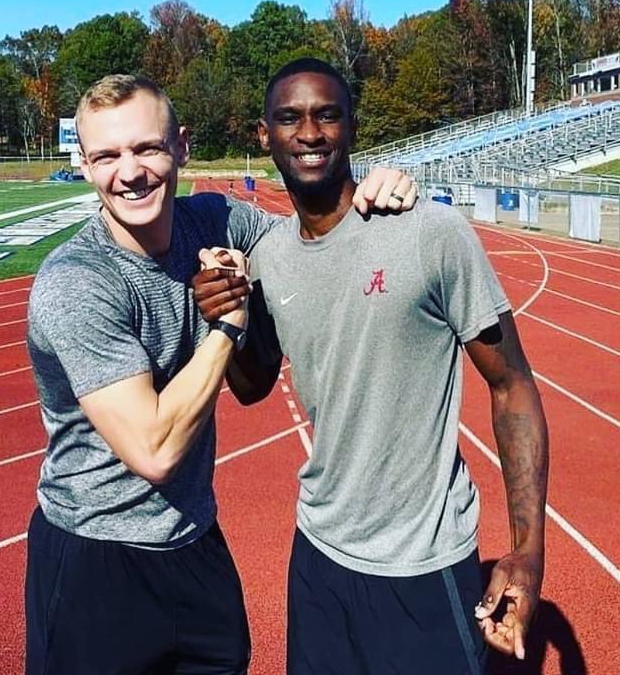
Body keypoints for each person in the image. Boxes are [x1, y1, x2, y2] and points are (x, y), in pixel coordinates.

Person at [23, 73, 417, 675]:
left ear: (181, 146)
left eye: (147, 148)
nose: (129, 173)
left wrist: (370, 191)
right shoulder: (78, 282)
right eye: (106, 156)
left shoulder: (212, 219)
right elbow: (153, 449)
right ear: (82, 163)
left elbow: (313, 239)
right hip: (96, 559)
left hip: (194, 540)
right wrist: (228, 326)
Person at [194, 59, 549, 674]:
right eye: (290, 119)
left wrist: (528, 551)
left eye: (326, 115)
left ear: (352, 127)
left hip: (423, 563)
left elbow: (511, 383)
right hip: (319, 556)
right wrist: (228, 316)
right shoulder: (270, 258)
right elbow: (250, 388)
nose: (309, 133)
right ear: (264, 134)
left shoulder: (428, 233)